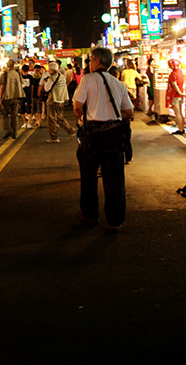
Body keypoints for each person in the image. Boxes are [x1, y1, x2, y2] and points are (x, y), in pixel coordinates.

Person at [73, 46, 133, 232]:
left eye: (91, 60)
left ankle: (90, 216)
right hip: (114, 137)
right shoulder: (117, 82)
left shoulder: (87, 80)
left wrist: (84, 117)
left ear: (97, 61)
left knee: (89, 178)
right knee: (115, 181)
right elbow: (128, 112)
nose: (90, 63)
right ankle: (115, 221)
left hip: (93, 136)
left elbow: (77, 105)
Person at [41, 61, 76, 143]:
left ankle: (54, 137)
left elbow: (46, 89)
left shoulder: (52, 78)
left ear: (51, 70)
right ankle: (70, 130)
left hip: (54, 100)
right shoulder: (62, 76)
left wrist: (45, 83)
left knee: (51, 118)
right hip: (61, 99)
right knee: (59, 117)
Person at [0, 59, 24, 139]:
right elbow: (21, 83)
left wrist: (0, 97)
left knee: (5, 114)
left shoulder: (5, 74)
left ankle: (8, 130)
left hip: (7, 96)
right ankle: (15, 133)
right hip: (16, 96)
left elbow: (2, 86)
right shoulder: (17, 74)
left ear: (7, 65)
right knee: (14, 115)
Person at [166, 58, 186, 134]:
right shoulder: (180, 72)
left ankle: (180, 129)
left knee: (177, 113)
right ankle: (182, 128)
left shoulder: (173, 74)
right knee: (180, 113)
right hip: (180, 95)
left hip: (175, 95)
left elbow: (174, 85)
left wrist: (179, 93)